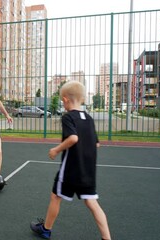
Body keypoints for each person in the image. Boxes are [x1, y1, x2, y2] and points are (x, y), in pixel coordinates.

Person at [30, 81, 111, 240]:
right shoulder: (88, 118)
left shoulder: (68, 117)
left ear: (66, 99)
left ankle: (46, 229)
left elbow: (73, 138)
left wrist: (56, 149)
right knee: (92, 203)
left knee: (55, 197)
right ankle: (107, 238)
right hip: (88, 170)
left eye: (62, 101)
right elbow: (97, 143)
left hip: (71, 169)